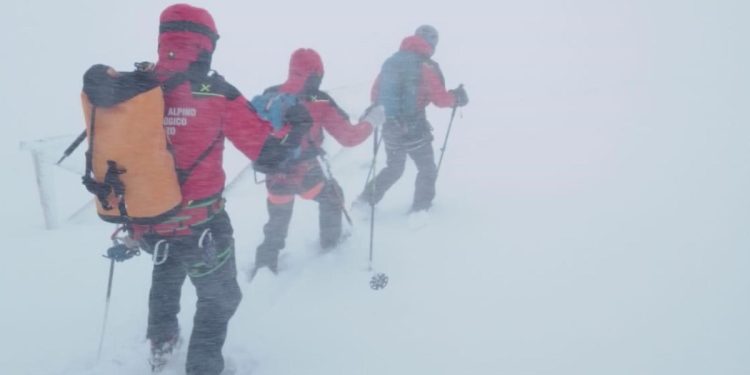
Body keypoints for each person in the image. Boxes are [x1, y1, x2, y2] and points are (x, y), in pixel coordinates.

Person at [116, 4, 303, 375]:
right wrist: (296, 130)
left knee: (167, 273)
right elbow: (268, 156)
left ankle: (162, 342)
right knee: (221, 298)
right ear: (206, 43)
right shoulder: (216, 92)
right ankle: (202, 367)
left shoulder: (136, 86)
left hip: (149, 219)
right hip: (200, 224)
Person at [251, 48, 383, 276]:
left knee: (277, 221)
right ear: (317, 73)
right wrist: (371, 121)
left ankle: (264, 266)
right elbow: (349, 137)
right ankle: (330, 247)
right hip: (306, 172)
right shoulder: (319, 99)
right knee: (332, 197)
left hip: (275, 172)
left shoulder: (271, 93)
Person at [357, 25, 468, 213]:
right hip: (413, 126)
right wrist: (456, 98)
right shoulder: (425, 65)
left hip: (389, 125)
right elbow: (440, 99)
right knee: (427, 168)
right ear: (432, 43)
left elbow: (375, 94)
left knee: (394, 167)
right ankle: (420, 209)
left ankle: (364, 201)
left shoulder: (392, 62)